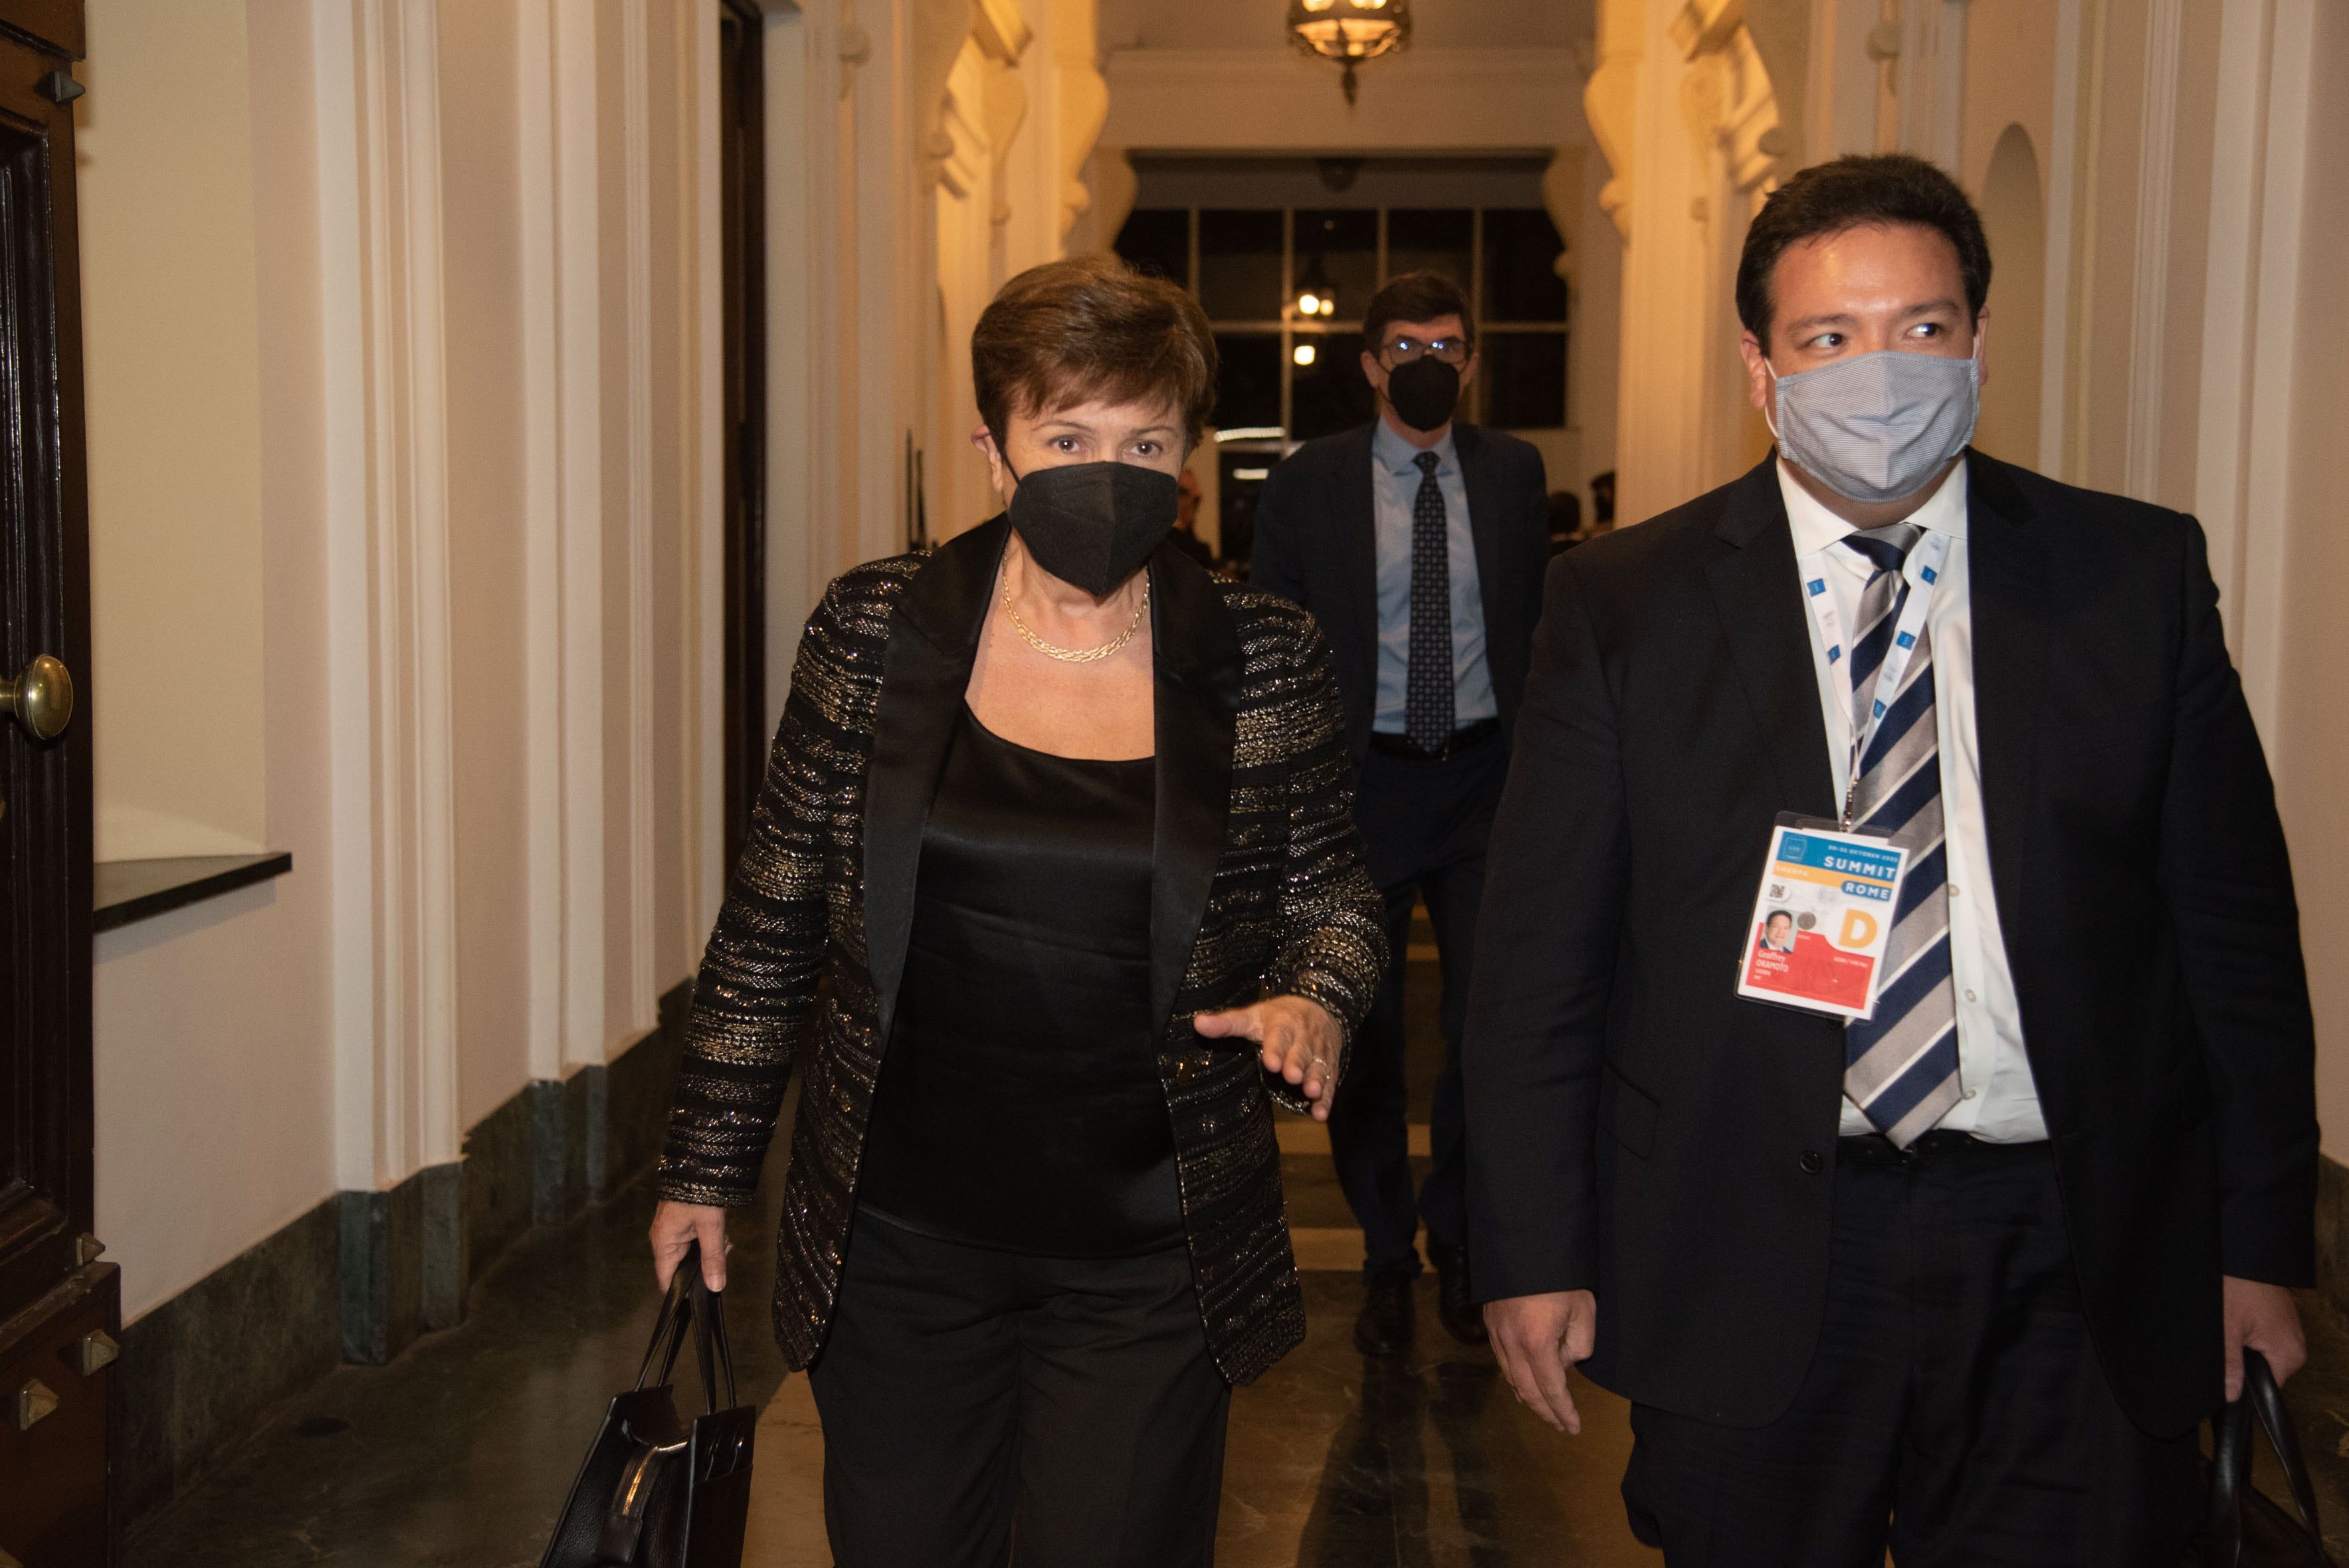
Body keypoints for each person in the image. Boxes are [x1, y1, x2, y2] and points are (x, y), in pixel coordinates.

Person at [1466, 153, 2318, 1565]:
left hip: (2076, 1235)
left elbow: (2234, 941)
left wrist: (2263, 1236)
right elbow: (1540, 962)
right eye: (1829, 337)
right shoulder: (1627, 602)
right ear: (1761, 366)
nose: (1882, 370)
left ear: (1978, 341)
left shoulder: (2133, 577)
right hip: (1750, 1232)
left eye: (1921, 328)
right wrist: (1534, 1247)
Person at [647, 254, 1386, 1568]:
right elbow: (772, 918)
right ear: (996, 450)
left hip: (1150, 1253)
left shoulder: (1265, 654)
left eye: (1145, 439)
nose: (1109, 469)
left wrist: (1317, 999)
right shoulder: (875, 632)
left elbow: (1334, 902)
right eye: (1068, 435)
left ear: (1190, 457)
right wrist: (707, 1162)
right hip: (900, 1241)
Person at [1252, 270, 1551, 1355]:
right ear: (1372, 363)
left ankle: (1462, 1236)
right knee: (1365, 1030)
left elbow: (1533, 629)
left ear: (1470, 360)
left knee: (1486, 1023)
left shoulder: (1515, 474)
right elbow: (1276, 639)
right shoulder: (1309, 483)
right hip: (1361, 787)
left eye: (1450, 345)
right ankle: (1384, 1240)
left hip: (1481, 783)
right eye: (1408, 347)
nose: (1431, 363)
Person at [1168, 466, 1217, 569]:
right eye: (1184, 493)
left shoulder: (1194, 542)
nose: (1194, 503)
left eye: (1197, 499)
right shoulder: (1165, 545)